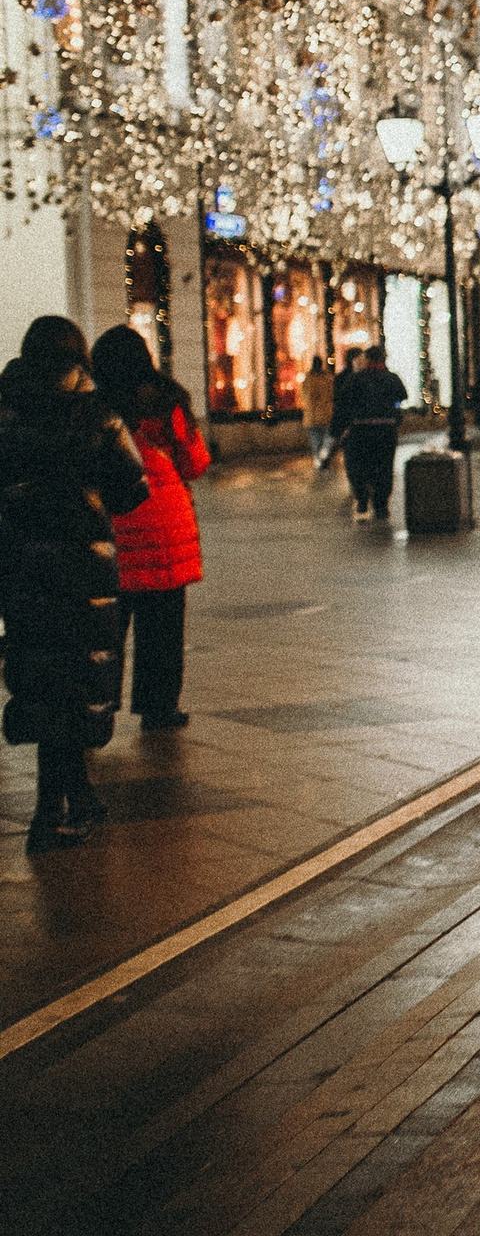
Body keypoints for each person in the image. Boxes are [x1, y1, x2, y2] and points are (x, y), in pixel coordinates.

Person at [0, 318, 149, 848]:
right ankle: (49, 814)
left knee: (45, 682)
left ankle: (78, 797)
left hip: (22, 571)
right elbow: (132, 489)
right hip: (84, 574)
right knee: (76, 686)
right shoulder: (96, 413)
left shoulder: (7, 412)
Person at [90, 326, 209, 733]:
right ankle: (158, 709)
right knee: (162, 627)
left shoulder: (95, 407)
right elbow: (195, 463)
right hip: (163, 527)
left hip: (113, 523)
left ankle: (97, 707)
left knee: (104, 631)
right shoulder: (168, 401)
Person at [330, 344, 408, 520]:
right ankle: (381, 505)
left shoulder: (356, 379)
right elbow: (402, 397)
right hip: (386, 430)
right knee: (384, 467)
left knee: (358, 466)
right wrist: (394, 412)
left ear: (366, 360)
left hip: (360, 430)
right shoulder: (391, 378)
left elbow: (343, 406)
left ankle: (362, 500)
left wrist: (336, 430)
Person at [301, 352, 336, 465]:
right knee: (327, 438)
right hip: (326, 414)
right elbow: (332, 394)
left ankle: (318, 458)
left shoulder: (308, 378)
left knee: (316, 439)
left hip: (312, 416)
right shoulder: (328, 378)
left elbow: (305, 396)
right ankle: (324, 456)